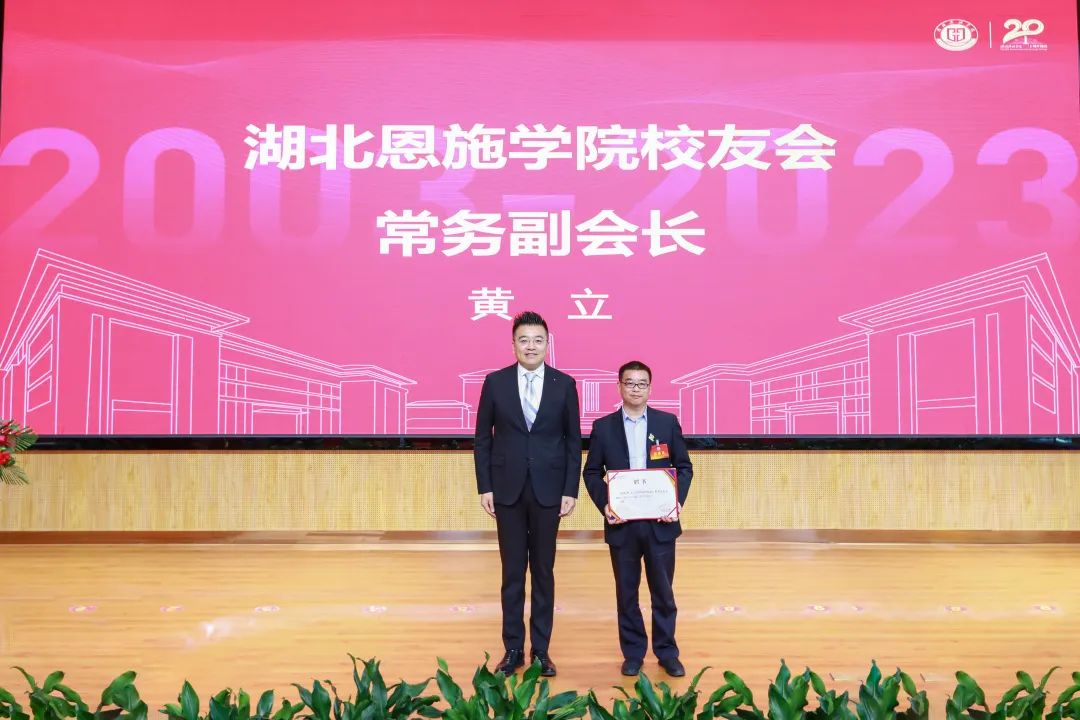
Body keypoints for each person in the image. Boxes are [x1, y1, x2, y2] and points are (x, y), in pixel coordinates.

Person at [474, 310, 582, 677]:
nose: (531, 346)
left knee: (543, 571)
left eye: (538, 340)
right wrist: (485, 485)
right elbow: (482, 439)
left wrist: (570, 489)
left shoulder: (564, 384)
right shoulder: (495, 382)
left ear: (547, 344)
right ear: (514, 344)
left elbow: (573, 441)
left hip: (550, 490)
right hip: (507, 489)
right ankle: (512, 650)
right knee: (512, 572)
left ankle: (541, 651)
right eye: (524, 340)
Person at [583, 360, 692, 677]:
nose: (635, 389)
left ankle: (667, 652)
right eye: (629, 383)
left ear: (650, 388)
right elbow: (592, 472)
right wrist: (605, 504)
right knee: (626, 593)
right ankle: (633, 653)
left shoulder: (666, 423)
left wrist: (675, 501)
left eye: (641, 383)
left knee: (663, 593)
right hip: (623, 525)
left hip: (660, 524)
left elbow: (684, 467)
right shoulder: (603, 428)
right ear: (619, 386)